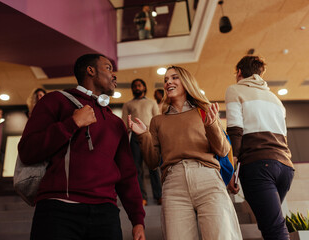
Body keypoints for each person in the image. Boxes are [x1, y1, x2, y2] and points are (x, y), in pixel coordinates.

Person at [18, 54, 146, 240]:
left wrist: (137, 220)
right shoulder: (54, 101)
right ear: (91, 70)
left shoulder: (115, 122)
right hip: (57, 210)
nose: (114, 75)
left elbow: (127, 174)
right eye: (109, 68)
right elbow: (28, 151)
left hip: (106, 214)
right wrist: (72, 124)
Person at [128, 66, 242, 240]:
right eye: (166, 80)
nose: (168, 82)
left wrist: (211, 125)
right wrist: (143, 135)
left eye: (174, 78)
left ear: (186, 82)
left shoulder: (204, 111)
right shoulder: (157, 121)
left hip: (208, 180)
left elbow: (222, 150)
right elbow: (152, 162)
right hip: (174, 185)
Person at [225, 55, 294, 240]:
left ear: (239, 73)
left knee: (274, 229)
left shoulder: (235, 90)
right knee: (270, 226)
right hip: (285, 168)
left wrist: (232, 170)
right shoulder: (274, 99)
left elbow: (235, 131)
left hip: (258, 165)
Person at [122, 79, 162, 206]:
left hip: (150, 134)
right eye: (134, 86)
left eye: (139, 85)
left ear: (144, 87)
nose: (137, 87)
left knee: (154, 166)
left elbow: (157, 120)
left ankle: (159, 195)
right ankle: (141, 197)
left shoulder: (152, 102)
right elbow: (124, 122)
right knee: (136, 168)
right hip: (134, 136)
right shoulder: (127, 104)